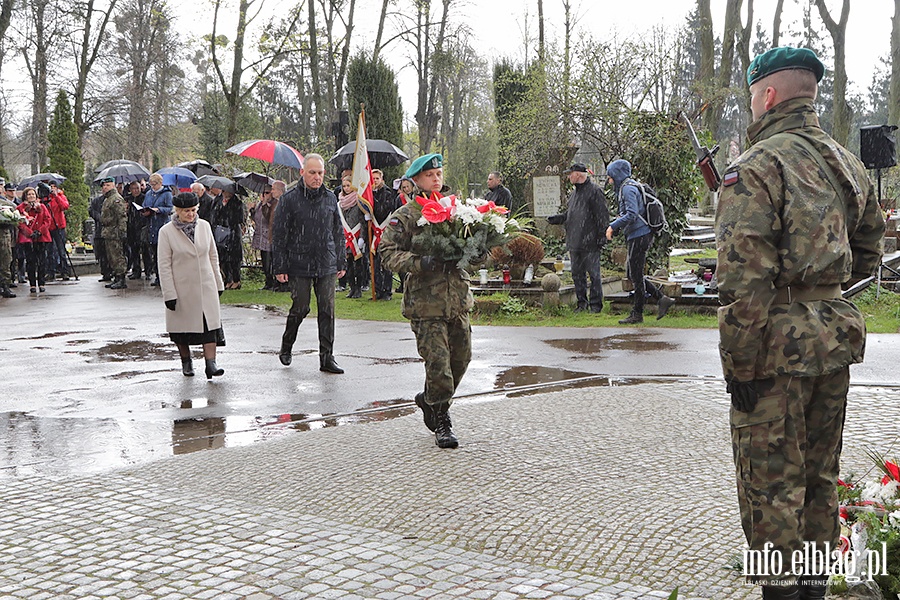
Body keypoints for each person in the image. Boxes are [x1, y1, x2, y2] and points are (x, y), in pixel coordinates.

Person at [716, 47, 884, 600]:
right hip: (832, 341)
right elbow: (869, 251)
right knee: (819, 478)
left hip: (771, 351)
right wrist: (822, 291)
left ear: (766, 95)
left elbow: (742, 279)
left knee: (769, 488)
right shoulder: (847, 161)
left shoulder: (757, 166)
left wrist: (738, 365)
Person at [380, 153, 472, 449]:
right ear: (416, 180)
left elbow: (477, 248)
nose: (436, 178)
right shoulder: (407, 215)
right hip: (426, 303)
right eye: (430, 174)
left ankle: (429, 399)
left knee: (461, 359)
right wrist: (421, 262)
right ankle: (442, 420)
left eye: (439, 173)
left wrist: (473, 252)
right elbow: (386, 251)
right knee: (439, 365)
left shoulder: (457, 210)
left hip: (457, 299)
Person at [272, 153, 346, 374]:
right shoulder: (289, 199)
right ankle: (287, 345)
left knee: (327, 310)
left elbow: (338, 231)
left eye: (320, 173)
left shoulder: (330, 198)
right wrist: (280, 266)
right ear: (303, 172)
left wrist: (341, 260)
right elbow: (279, 235)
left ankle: (327, 358)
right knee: (301, 307)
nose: (317, 177)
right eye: (312, 173)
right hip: (298, 262)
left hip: (326, 261)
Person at [157, 192, 226, 379]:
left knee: (209, 327)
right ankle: (186, 361)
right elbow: (163, 265)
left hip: (206, 286)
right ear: (177, 211)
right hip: (182, 288)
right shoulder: (166, 232)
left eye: (194, 210)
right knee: (182, 331)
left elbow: (213, 255)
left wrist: (218, 282)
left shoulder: (204, 226)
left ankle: (211, 364)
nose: (191, 214)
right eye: (186, 211)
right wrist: (169, 294)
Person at [604, 159, 675, 324]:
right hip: (637, 234)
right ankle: (661, 299)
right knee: (633, 273)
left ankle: (638, 314)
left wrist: (613, 226)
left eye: (610, 176)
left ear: (617, 174)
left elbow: (632, 214)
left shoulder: (628, 189)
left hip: (640, 235)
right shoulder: (627, 187)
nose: (609, 180)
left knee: (635, 275)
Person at [547, 163, 608, 313]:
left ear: (579, 174)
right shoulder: (574, 194)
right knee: (577, 275)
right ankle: (581, 304)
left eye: (570, 174)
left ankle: (595, 306)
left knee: (594, 274)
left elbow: (602, 216)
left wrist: (601, 237)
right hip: (574, 241)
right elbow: (571, 215)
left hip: (591, 241)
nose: (568, 177)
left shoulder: (595, 191)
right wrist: (558, 219)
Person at [369, 169, 402, 300]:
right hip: (373, 232)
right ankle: (377, 290)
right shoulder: (369, 193)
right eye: (373, 178)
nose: (375, 181)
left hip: (384, 231)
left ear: (381, 179)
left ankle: (387, 291)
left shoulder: (387, 193)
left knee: (386, 264)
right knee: (375, 265)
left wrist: (373, 204)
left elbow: (383, 211)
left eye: (377, 178)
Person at [16, 187, 51, 294]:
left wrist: (40, 231)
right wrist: (30, 233)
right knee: (31, 262)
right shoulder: (20, 208)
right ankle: (32, 284)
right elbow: (19, 222)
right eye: (29, 194)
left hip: (41, 237)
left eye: (33, 194)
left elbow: (47, 220)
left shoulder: (42, 207)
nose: (31, 196)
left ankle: (41, 283)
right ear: (25, 196)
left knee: (42, 261)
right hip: (28, 238)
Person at [142, 173, 173, 286]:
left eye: (154, 184)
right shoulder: (149, 193)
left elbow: (170, 208)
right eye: (151, 184)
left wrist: (158, 209)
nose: (152, 186)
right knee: (154, 253)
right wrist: (145, 211)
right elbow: (145, 204)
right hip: (151, 226)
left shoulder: (167, 194)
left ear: (160, 183)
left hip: (162, 224)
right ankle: (158, 276)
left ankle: (164, 278)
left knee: (163, 254)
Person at [337, 175, 366, 298]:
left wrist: (362, 238)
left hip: (356, 236)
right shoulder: (340, 202)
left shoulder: (359, 201)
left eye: (348, 185)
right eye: (344, 186)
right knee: (347, 264)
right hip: (346, 237)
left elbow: (363, 222)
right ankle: (352, 287)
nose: (346, 188)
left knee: (358, 265)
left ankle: (359, 288)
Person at [212, 189, 247, 289]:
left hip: (233, 232)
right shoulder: (217, 200)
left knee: (234, 258)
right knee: (223, 257)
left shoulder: (237, 203)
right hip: (221, 231)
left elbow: (239, 218)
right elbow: (214, 215)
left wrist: (227, 210)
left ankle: (236, 280)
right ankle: (228, 279)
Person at [99, 176, 129, 290]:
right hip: (108, 231)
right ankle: (116, 277)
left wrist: (122, 231)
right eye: (104, 186)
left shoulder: (116, 199)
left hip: (114, 231)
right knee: (111, 256)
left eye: (107, 185)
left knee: (117, 256)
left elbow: (121, 216)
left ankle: (121, 278)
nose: (104, 188)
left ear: (113, 185)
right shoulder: (108, 199)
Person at [249, 186, 278, 291]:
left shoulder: (273, 204)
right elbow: (256, 218)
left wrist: (266, 204)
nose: (264, 195)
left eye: (267, 193)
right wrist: (252, 210)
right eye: (263, 193)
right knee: (264, 260)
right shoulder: (260, 205)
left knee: (270, 261)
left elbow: (268, 217)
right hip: (260, 235)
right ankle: (268, 281)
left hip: (268, 235)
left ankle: (273, 282)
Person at [45, 181, 71, 280]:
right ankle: (50, 271)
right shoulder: (45, 198)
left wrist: (56, 196)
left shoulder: (60, 196)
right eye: (50, 187)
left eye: (54, 187)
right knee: (50, 250)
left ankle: (64, 271)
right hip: (49, 227)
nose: (52, 189)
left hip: (59, 226)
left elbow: (65, 206)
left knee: (61, 249)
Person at [125, 180, 150, 280]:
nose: (135, 191)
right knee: (134, 251)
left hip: (142, 226)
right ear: (130, 190)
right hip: (131, 227)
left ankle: (148, 270)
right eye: (133, 189)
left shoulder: (144, 198)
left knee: (145, 250)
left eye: (137, 188)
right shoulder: (128, 199)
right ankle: (136, 270)